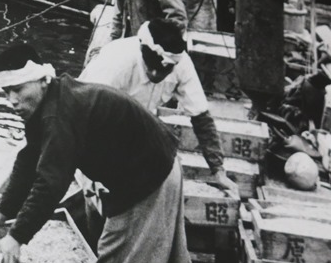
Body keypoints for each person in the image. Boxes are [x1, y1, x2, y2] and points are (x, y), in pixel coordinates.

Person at [0, 43, 200, 263]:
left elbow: (50, 184)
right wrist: (3, 211)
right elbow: (30, 158)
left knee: (117, 262)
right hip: (158, 161)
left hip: (150, 174)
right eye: (6, 92)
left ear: (43, 81)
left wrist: (16, 237)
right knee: (157, 250)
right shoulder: (51, 101)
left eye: (17, 89)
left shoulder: (58, 114)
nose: (12, 100)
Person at [81, 18, 237, 192]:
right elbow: (85, 115)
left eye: (164, 71)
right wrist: (92, 172)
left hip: (139, 123)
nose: (155, 74)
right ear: (142, 51)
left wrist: (218, 170)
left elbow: (201, 117)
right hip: (98, 122)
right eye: (151, 67)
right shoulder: (115, 64)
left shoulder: (183, 65)